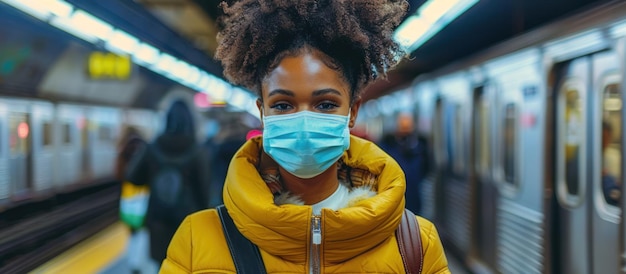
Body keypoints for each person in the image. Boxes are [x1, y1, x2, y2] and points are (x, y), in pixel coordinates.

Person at [161, 1, 449, 273]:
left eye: (325, 104)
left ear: (352, 112)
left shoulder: (416, 245)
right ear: (262, 112)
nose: (303, 121)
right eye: (283, 105)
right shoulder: (195, 241)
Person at [126, 100, 210, 266]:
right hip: (188, 222)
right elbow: (204, 191)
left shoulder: (153, 147)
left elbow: (132, 177)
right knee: (186, 265)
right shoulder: (197, 151)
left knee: (162, 264)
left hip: (158, 220)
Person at [379, 113, 428, 215]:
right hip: (394, 193)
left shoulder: (420, 146)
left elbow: (426, 167)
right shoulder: (388, 146)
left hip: (414, 193)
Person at [602, 121, 621, 206]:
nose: (605, 141)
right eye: (603, 137)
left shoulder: (613, 155)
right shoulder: (592, 157)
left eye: (607, 137)